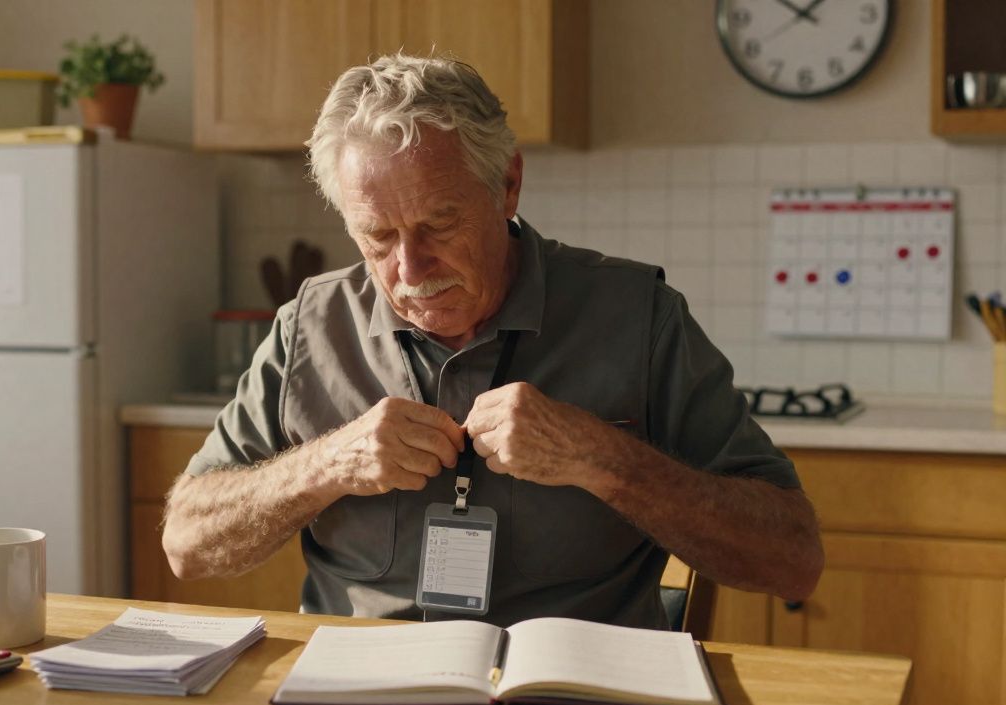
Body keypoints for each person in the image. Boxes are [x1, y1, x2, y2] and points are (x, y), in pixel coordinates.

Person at [162, 54, 822, 629]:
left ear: (508, 185)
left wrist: (600, 458)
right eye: (379, 239)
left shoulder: (638, 317)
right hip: (363, 697)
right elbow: (187, 544)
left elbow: (792, 559)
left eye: (439, 223)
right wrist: (327, 464)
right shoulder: (310, 326)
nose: (411, 270)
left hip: (573, 697)